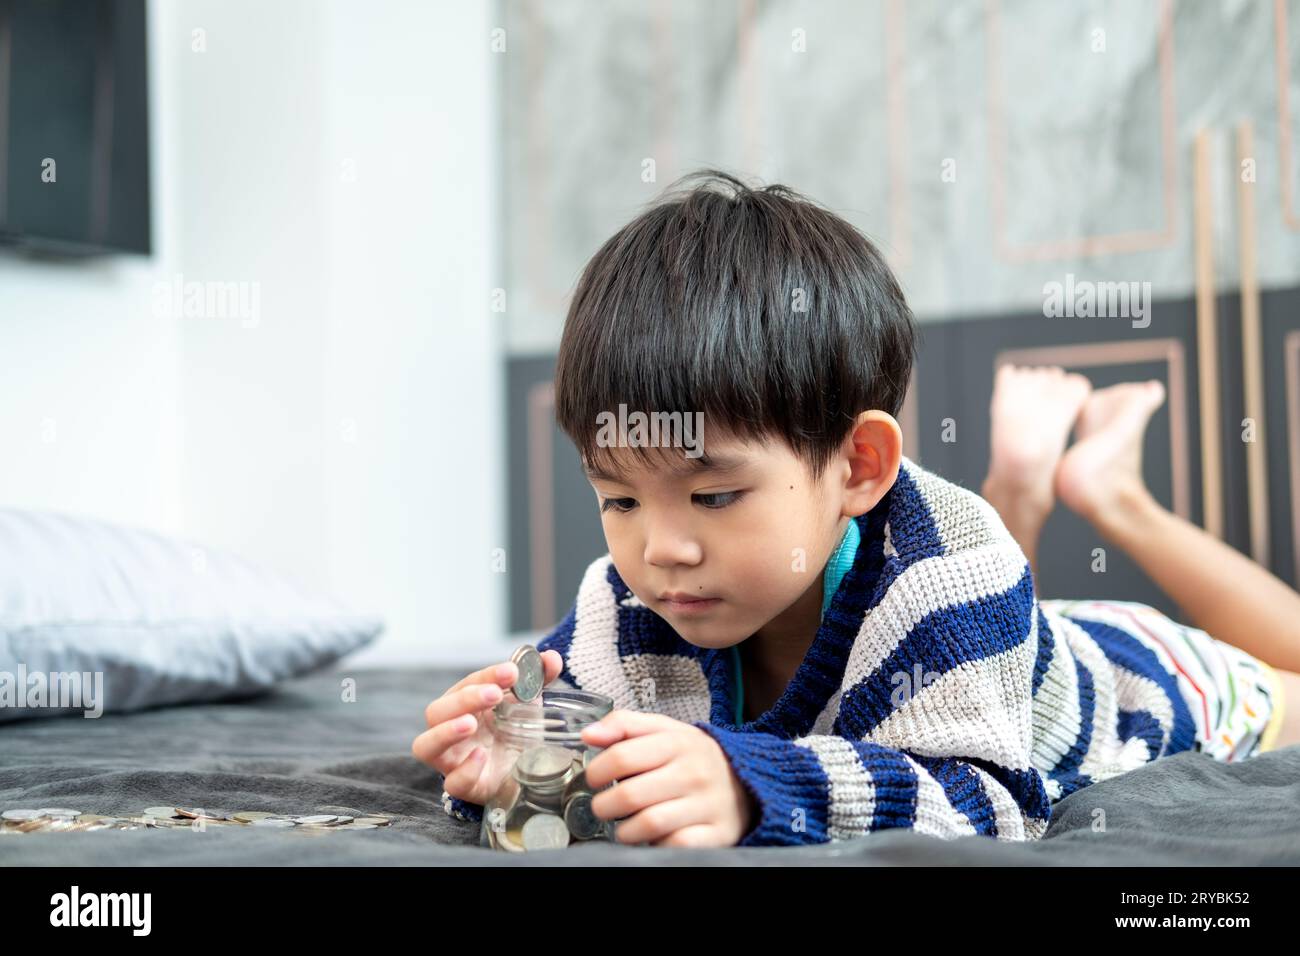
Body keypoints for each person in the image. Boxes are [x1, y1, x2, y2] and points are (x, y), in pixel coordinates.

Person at [412, 169, 1295, 848]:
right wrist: (511, 765)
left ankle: (1112, 494)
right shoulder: (629, 598)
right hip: (997, 647)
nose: (663, 549)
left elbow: (988, 806)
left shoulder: (947, 572)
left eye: (715, 495)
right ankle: (1070, 488)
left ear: (859, 465)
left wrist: (752, 784)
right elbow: (585, 753)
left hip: (1155, 678)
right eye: (618, 497)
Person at [981, 363, 1300, 765]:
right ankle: (1102, 497)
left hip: (1094, 655)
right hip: (1155, 692)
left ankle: (1061, 496)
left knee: (1036, 668)